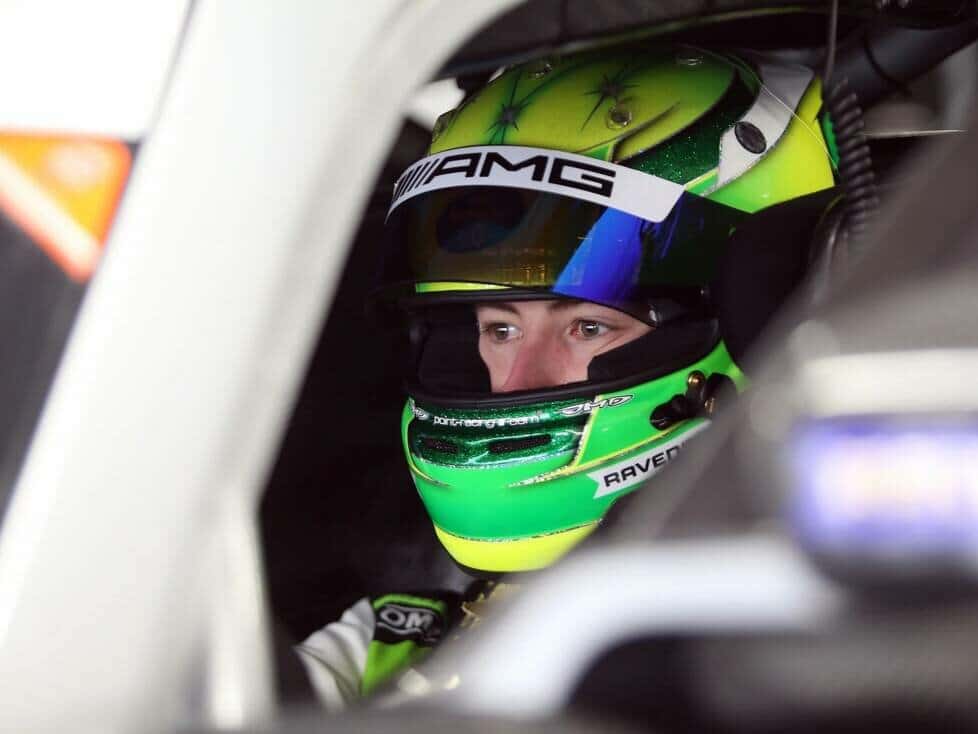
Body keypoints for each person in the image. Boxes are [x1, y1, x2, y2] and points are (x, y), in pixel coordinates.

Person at [295, 41, 836, 709]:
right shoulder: (386, 647)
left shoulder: (830, 661)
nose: (518, 381)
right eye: (500, 329)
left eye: (587, 326)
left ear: (762, 311)